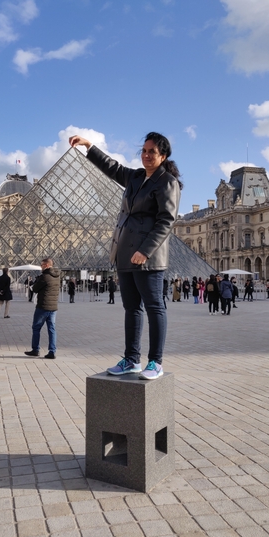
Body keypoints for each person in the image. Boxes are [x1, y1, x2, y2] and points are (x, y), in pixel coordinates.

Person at [69, 131, 182, 380]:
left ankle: (156, 362)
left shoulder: (167, 182)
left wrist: (145, 250)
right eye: (143, 150)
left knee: (154, 308)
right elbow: (113, 167)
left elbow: (166, 221)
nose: (146, 155)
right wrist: (89, 146)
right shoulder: (136, 176)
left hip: (148, 258)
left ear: (163, 156)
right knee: (131, 309)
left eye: (151, 151)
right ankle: (131, 360)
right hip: (124, 253)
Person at [24, 258, 60, 359]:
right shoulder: (57, 276)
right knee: (52, 329)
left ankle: (35, 349)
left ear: (47, 265)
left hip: (43, 306)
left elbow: (35, 289)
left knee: (36, 328)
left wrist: (38, 280)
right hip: (53, 307)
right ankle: (52, 351)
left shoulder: (45, 276)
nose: (41, 267)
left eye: (42, 265)